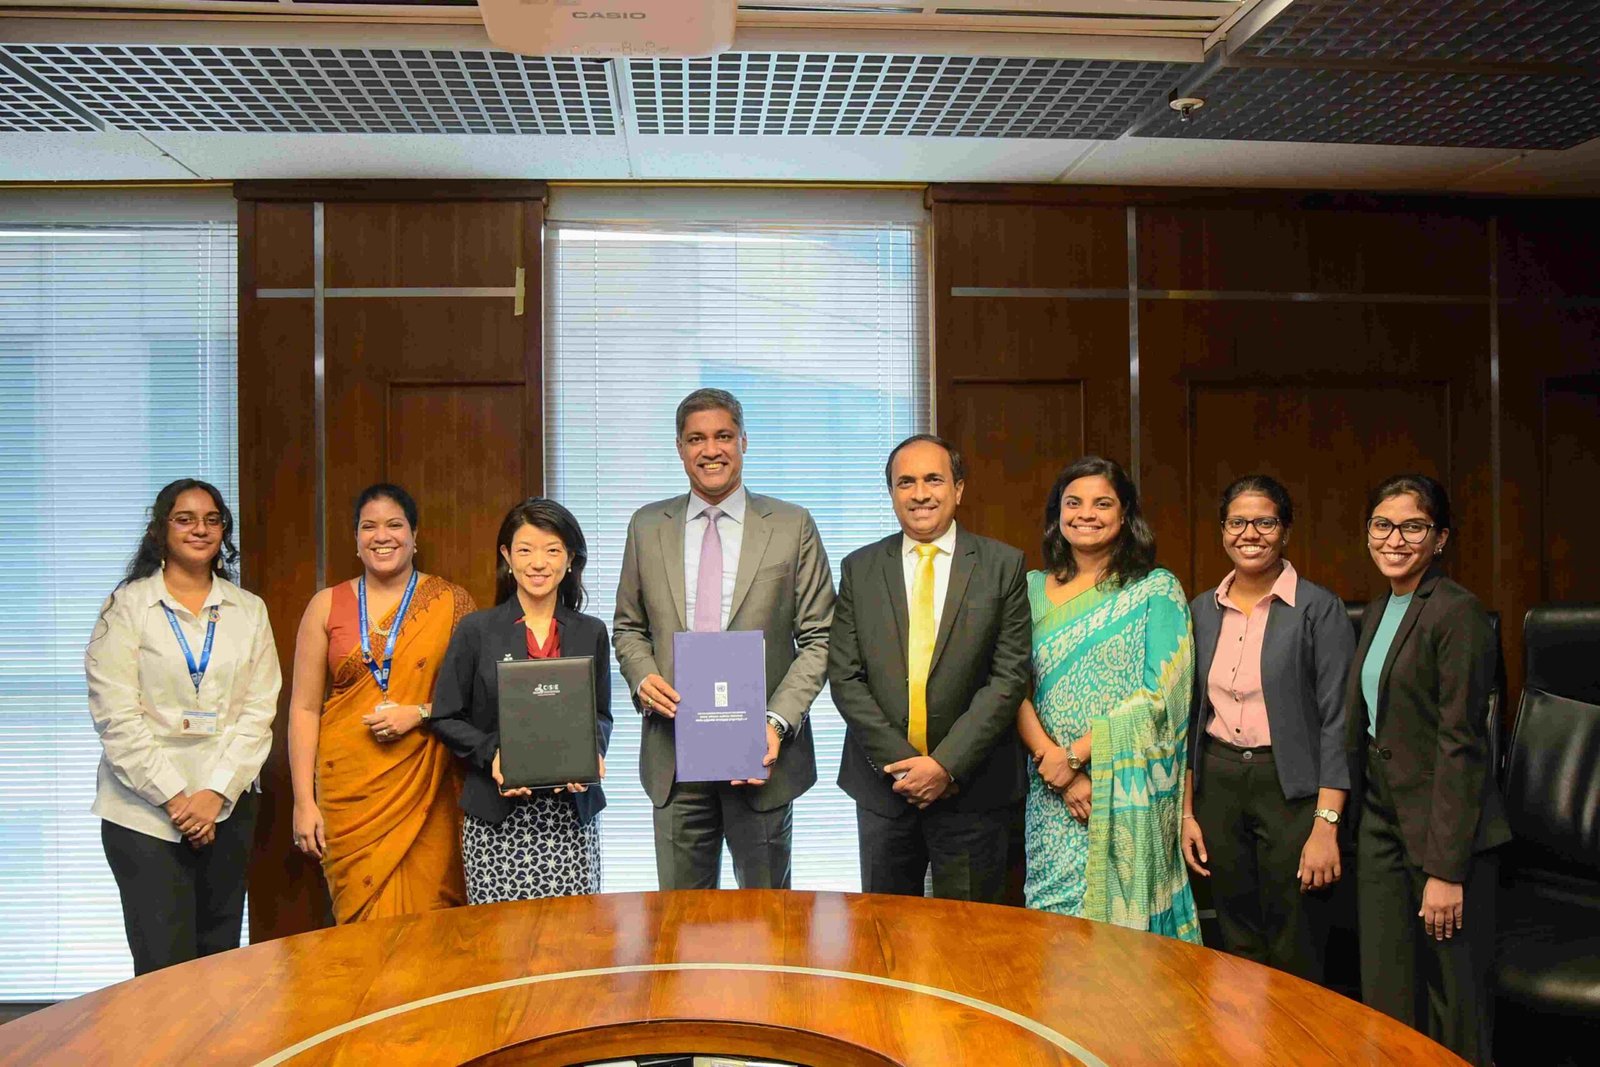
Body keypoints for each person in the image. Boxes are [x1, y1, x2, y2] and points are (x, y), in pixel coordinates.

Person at [614, 388, 835, 891]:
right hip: (674, 754)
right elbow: (628, 627)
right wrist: (643, 676)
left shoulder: (791, 525)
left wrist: (776, 723)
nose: (710, 449)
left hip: (761, 756)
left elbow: (821, 636)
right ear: (679, 448)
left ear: (743, 442)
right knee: (682, 923)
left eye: (722, 436)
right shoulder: (647, 526)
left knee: (767, 920)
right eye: (696, 438)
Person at [1346, 474, 1510, 1066]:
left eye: (1412, 526)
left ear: (1439, 539)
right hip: (1384, 826)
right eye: (1382, 525)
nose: (1395, 539)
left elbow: (1461, 745)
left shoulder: (1457, 612)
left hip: (1447, 838)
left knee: (1456, 1008)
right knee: (1387, 997)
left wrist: (1447, 870)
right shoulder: (1380, 607)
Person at [85, 478, 279, 974]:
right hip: (144, 815)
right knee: (162, 969)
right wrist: (176, 799)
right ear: (161, 530)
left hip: (228, 808)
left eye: (212, 520)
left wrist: (213, 795)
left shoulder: (249, 610)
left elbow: (259, 712)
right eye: (185, 518)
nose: (200, 529)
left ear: (224, 532)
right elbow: (117, 717)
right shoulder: (126, 607)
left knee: (218, 965)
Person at [829, 434, 1031, 902]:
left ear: (958, 489)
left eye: (933, 479)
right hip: (884, 791)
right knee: (885, 938)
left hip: (974, 790)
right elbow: (845, 677)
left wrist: (944, 766)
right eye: (906, 482)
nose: (920, 493)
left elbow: (1008, 678)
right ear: (892, 493)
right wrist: (903, 768)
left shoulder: (1002, 566)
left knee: (972, 942)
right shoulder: (859, 568)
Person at [1015, 456, 1199, 941]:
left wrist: (1078, 754)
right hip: (1051, 787)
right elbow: (1011, 685)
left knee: (1126, 942)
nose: (1086, 514)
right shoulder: (1031, 588)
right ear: (1057, 513)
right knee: (1054, 929)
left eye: (1103, 503)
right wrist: (1057, 766)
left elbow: (1161, 694)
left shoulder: (1155, 589)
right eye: (1073, 503)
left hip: (1127, 790)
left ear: (1125, 515)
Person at [1180, 475, 1355, 981]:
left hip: (1292, 788)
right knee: (1233, 932)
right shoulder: (1199, 610)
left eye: (1265, 521)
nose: (1250, 533)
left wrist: (1326, 824)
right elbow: (1189, 720)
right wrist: (1187, 811)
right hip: (1219, 782)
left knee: (1294, 933)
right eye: (1238, 522)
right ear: (1222, 531)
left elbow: (1336, 724)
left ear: (1286, 531)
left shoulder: (1318, 610)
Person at [286, 483, 474, 922]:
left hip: (426, 792)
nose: (381, 535)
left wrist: (421, 714)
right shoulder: (325, 606)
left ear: (415, 536)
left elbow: (476, 702)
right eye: (368, 527)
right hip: (348, 794)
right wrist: (303, 800)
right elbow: (304, 709)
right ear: (355, 539)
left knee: (432, 927)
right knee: (360, 935)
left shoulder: (450, 602)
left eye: (394, 524)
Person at [430, 499, 613, 903]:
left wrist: (591, 751)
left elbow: (600, 715)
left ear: (569, 560)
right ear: (506, 557)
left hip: (570, 818)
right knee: (503, 950)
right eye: (525, 549)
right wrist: (495, 754)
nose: (538, 562)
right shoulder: (476, 630)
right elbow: (445, 716)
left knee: (573, 944)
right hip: (497, 821)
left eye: (552, 550)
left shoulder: (591, 632)